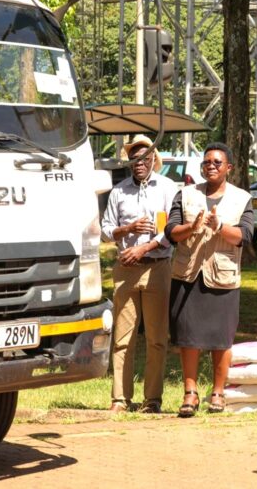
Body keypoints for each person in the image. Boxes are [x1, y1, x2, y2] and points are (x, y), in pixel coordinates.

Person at [166, 142, 254, 417]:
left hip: (223, 278)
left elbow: (245, 236)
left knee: (221, 338)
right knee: (188, 336)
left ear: (229, 168)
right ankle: (190, 393)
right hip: (188, 275)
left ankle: (218, 392)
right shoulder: (185, 194)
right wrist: (191, 227)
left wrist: (220, 227)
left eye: (217, 162)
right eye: (207, 162)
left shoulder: (242, 198)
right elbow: (171, 231)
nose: (211, 166)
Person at [100, 135, 177, 414]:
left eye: (144, 158)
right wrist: (127, 229)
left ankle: (152, 400)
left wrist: (144, 248)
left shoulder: (168, 188)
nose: (139, 163)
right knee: (122, 338)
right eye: (134, 158)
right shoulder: (119, 191)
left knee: (156, 338)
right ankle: (120, 399)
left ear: (153, 160)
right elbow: (106, 230)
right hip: (126, 270)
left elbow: (172, 230)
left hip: (158, 267)